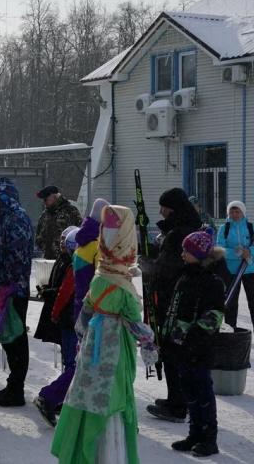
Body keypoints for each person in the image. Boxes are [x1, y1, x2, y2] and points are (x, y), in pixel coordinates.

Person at [51, 205, 157, 464]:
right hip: (114, 346)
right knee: (113, 395)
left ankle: (86, 447)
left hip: (93, 344)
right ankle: (110, 453)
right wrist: (149, 344)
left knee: (90, 392)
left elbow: (85, 314)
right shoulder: (122, 285)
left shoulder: (99, 276)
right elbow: (134, 323)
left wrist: (83, 337)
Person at [164, 231, 225, 457]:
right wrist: (169, 337)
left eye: (186, 251)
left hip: (200, 347)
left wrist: (194, 337)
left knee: (202, 391)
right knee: (188, 389)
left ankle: (209, 438)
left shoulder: (212, 281)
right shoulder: (185, 277)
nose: (182, 254)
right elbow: (175, 309)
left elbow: (214, 316)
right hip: (180, 345)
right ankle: (194, 433)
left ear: (199, 255)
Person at [147, 188, 201, 423]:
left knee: (171, 351)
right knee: (174, 351)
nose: (161, 212)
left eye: (164, 208)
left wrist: (150, 268)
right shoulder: (184, 228)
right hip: (179, 298)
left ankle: (178, 405)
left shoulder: (179, 233)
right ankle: (176, 398)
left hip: (174, 301)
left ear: (174, 209)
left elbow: (167, 268)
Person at [0, 177, 34, 407]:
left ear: (4, 199)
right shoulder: (7, 218)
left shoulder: (17, 220)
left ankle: (16, 389)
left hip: (13, 289)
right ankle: (13, 385)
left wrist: (3, 283)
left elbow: (16, 257)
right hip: (6, 288)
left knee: (15, 338)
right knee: (9, 338)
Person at [33, 226, 78, 426]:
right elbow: (64, 292)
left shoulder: (74, 263)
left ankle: (61, 398)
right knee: (75, 365)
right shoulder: (77, 265)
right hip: (73, 321)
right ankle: (52, 397)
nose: (61, 244)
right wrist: (55, 311)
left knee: (74, 363)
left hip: (71, 319)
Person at [216, 200, 254, 345]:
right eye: (232, 211)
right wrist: (238, 253)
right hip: (231, 272)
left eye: (237, 211)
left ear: (243, 212)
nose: (234, 214)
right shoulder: (224, 228)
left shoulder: (251, 227)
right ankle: (230, 334)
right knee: (231, 303)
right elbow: (220, 249)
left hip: (251, 270)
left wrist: (249, 251)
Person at [35, 185, 82, 260]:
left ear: (54, 196)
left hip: (66, 259)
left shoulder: (70, 211)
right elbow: (39, 236)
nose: (44, 202)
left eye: (46, 199)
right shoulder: (45, 214)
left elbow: (79, 233)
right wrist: (43, 248)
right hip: (47, 259)